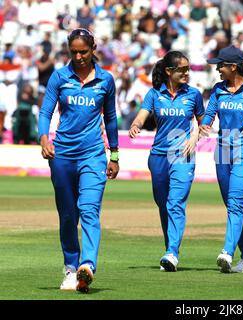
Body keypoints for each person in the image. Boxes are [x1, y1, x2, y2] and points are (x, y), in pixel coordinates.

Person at [38, 28, 119, 293]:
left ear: (93, 48)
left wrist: (114, 154)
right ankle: (70, 269)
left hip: (93, 155)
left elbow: (110, 118)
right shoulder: (59, 77)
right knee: (67, 215)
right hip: (61, 156)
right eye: (74, 52)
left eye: (83, 51)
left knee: (89, 209)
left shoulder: (106, 80)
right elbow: (46, 110)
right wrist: (43, 139)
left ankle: (87, 265)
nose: (79, 56)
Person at [129, 51, 205, 272]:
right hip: (158, 156)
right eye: (182, 70)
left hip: (183, 155)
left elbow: (204, 123)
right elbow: (142, 115)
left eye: (188, 69)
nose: (187, 73)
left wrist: (194, 136)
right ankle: (169, 248)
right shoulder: (154, 94)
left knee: (175, 203)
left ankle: (172, 252)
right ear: (169, 72)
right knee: (163, 205)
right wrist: (135, 125)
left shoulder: (194, 95)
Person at [200, 45, 243, 273]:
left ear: (233, 67)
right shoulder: (218, 89)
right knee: (233, 205)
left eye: (221, 65)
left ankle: (227, 252)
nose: (217, 69)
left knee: (236, 204)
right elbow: (210, 113)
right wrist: (204, 124)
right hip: (222, 150)